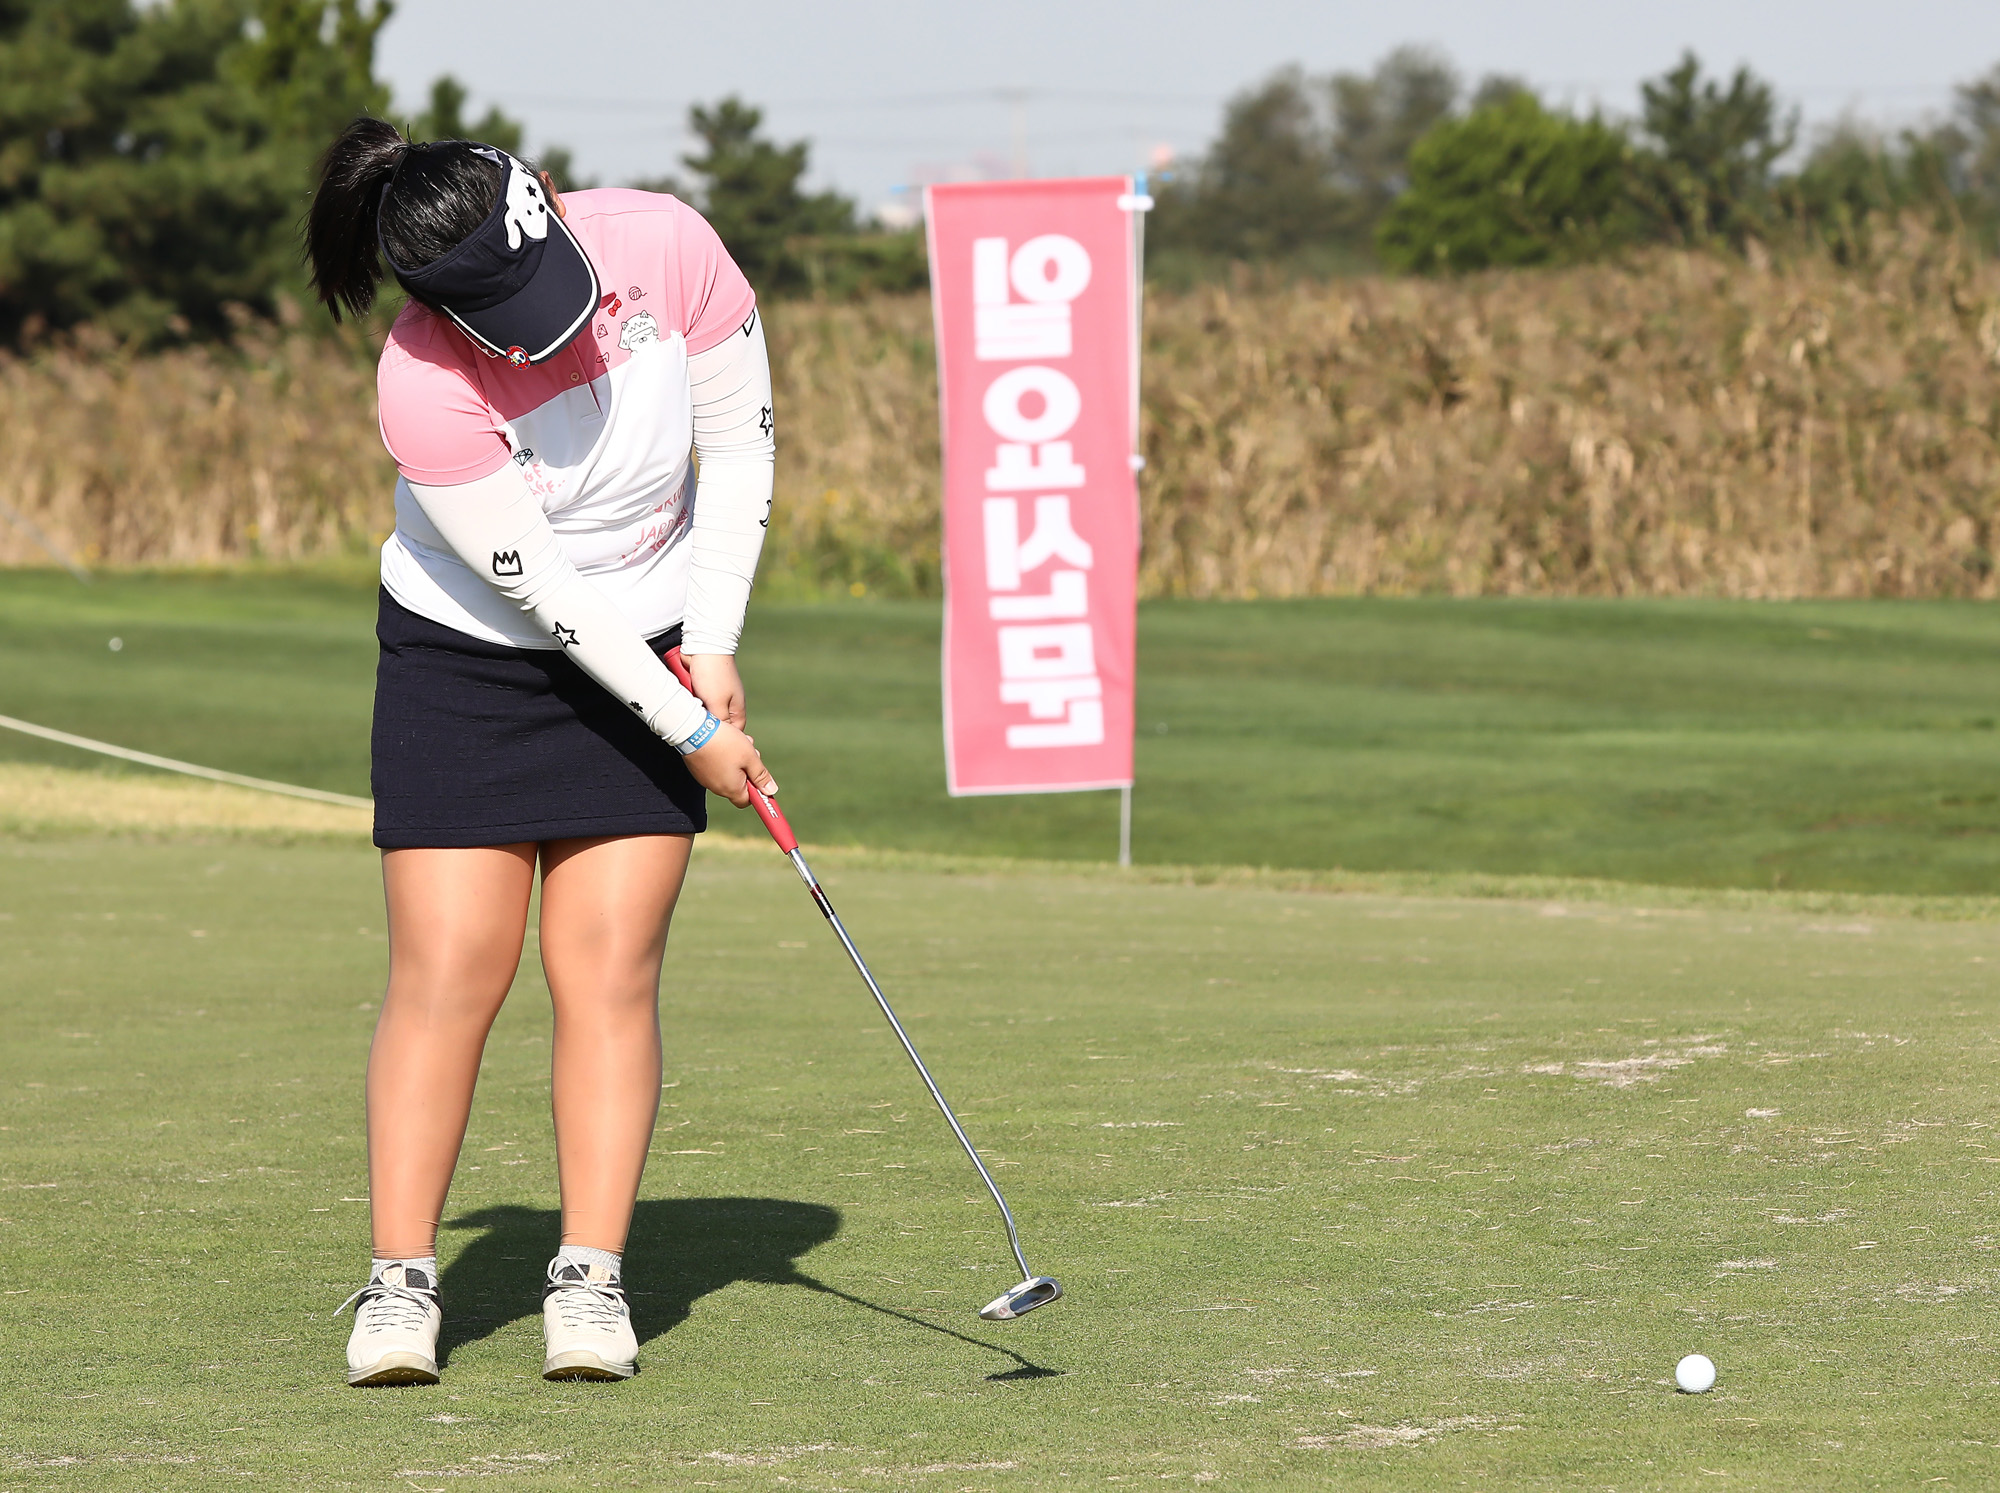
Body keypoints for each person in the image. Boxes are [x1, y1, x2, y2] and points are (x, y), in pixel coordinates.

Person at [304, 117, 776, 1386]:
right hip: (474, 654)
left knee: (609, 964)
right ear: (432, 302)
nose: (548, 325)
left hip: (661, 620)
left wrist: (713, 645)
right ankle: (403, 1284)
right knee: (453, 966)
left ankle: (589, 1278)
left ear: (548, 201)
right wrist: (688, 730)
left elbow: (735, 448)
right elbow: (548, 597)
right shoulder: (421, 382)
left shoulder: (667, 245)